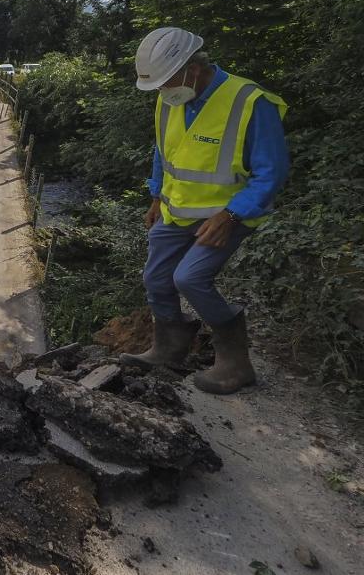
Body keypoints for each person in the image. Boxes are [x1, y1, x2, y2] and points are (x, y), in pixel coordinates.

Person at [120, 27, 288, 395]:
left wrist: (231, 216)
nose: (163, 91)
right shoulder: (172, 98)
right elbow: (164, 151)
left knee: (190, 278)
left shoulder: (249, 101)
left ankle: (235, 362)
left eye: (167, 81)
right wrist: (157, 195)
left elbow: (271, 171)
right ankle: (169, 347)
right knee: (156, 279)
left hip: (228, 214)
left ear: (192, 69)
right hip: (176, 207)